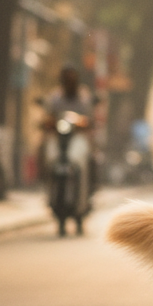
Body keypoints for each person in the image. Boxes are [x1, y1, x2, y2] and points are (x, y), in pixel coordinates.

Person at [43, 66, 97, 214]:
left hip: (78, 136)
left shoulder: (83, 96)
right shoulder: (55, 97)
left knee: (80, 161)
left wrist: (81, 121)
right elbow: (48, 117)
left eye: (72, 78)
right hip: (58, 137)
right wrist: (48, 122)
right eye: (67, 78)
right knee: (48, 157)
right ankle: (48, 192)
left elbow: (89, 118)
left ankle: (84, 199)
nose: (70, 81)